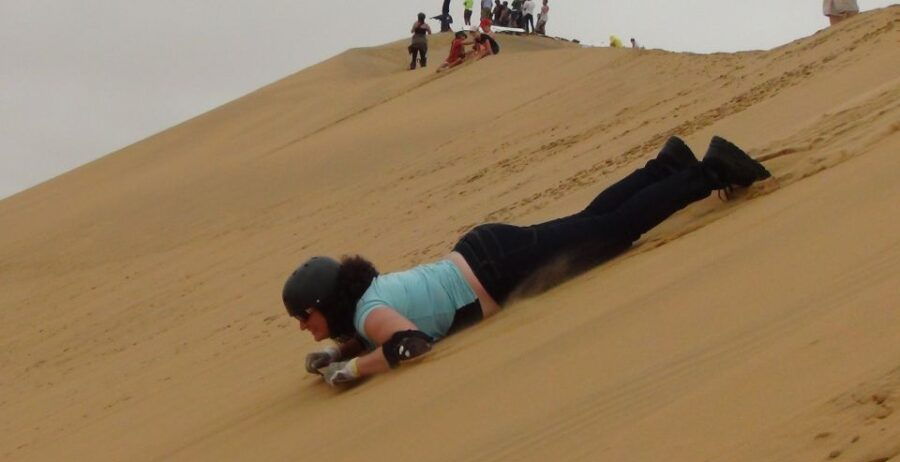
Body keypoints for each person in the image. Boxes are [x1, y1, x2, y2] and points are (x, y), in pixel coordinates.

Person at [283, 136, 772, 386]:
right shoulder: (367, 309)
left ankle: (710, 170)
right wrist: (335, 354)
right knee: (593, 222)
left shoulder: (371, 313)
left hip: (498, 267)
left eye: (304, 316)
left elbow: (408, 344)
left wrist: (352, 373)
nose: (304, 326)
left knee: (612, 231)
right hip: (486, 255)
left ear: (326, 302)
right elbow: (375, 336)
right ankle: (668, 165)